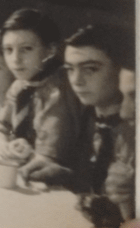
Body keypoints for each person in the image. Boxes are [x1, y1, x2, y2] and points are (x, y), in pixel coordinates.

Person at [0, 8, 82, 186]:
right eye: (8, 50)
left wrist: (23, 153)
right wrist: (7, 147)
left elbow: (47, 158)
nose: (15, 59)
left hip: (56, 182)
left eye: (26, 49)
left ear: (50, 50)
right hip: (22, 167)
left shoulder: (59, 91)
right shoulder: (20, 85)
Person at [62, 25, 135, 226]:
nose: (76, 80)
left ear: (121, 69)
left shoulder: (133, 129)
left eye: (90, 69)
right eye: (70, 69)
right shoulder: (84, 115)